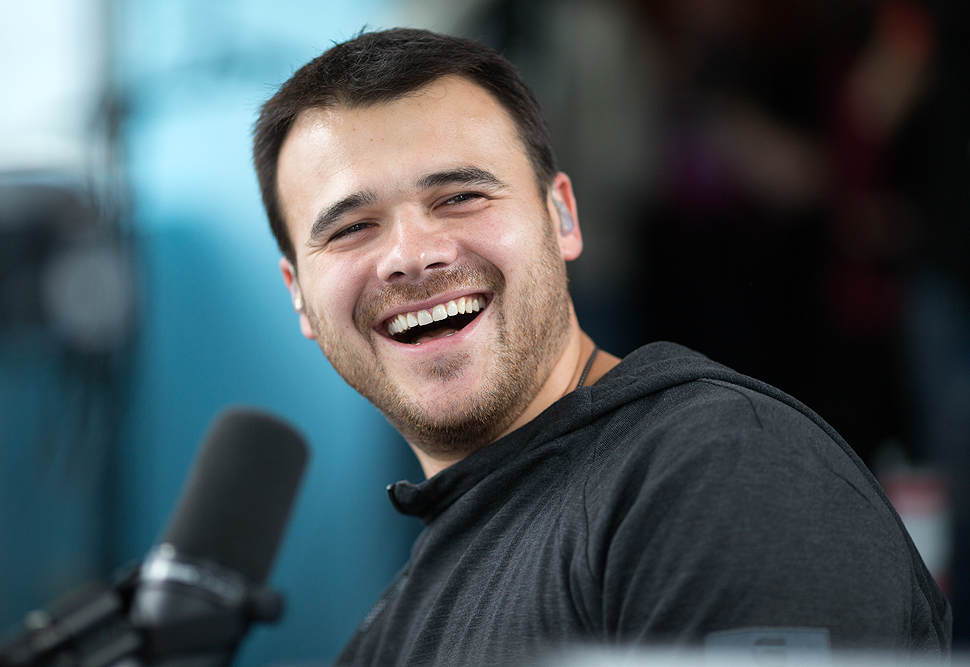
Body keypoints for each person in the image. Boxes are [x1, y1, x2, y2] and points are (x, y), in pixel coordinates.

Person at [252, 28, 951, 666]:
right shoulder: (388, 631)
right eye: (351, 228)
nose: (412, 254)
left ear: (562, 216)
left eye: (460, 196)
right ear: (299, 295)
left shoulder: (720, 468)